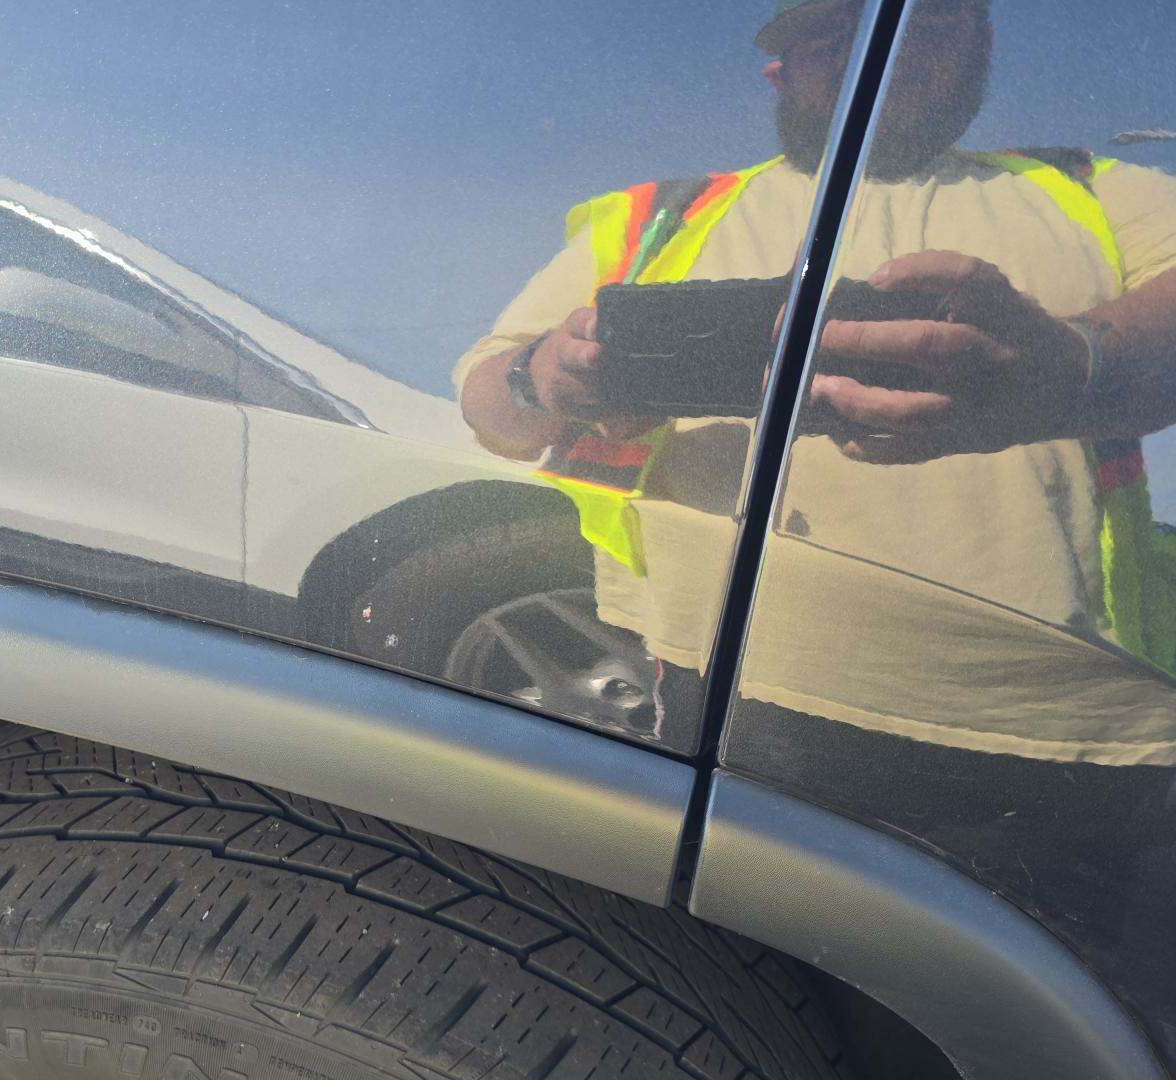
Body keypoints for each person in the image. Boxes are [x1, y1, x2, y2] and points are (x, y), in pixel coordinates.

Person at [454, 0, 1176, 765]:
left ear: (981, 45)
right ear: (778, 71)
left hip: (1075, 720)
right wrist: (545, 380)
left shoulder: (1098, 189)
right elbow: (486, 398)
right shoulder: (661, 215)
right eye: (835, 37)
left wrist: (1076, 364)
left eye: (924, 28)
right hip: (712, 698)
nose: (882, 53)